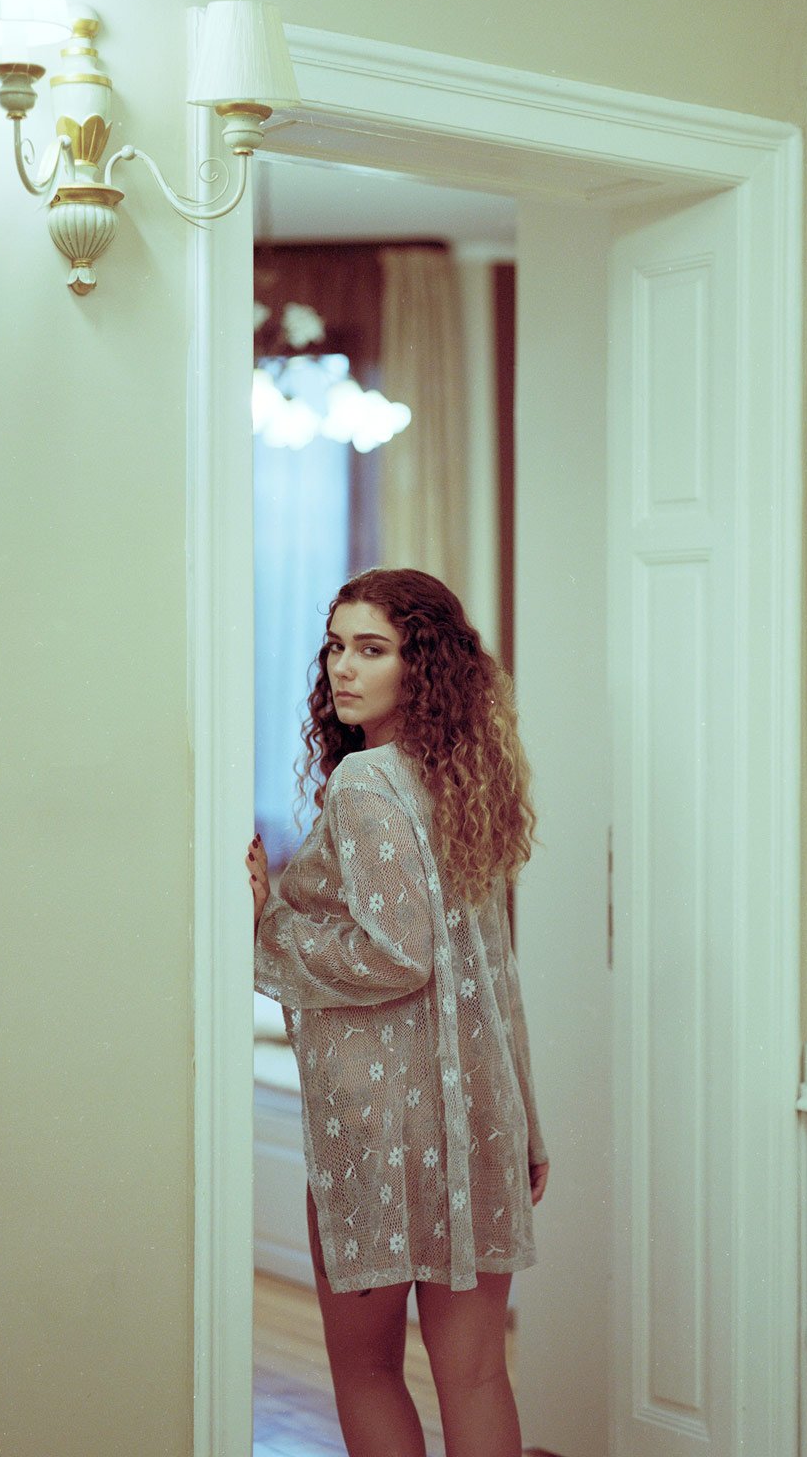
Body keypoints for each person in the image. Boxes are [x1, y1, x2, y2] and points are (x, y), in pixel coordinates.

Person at [248, 568, 549, 1457]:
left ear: (422, 665)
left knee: (367, 1371)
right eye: (336, 647)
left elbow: (397, 953)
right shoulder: (465, 780)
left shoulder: (364, 783)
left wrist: (264, 928)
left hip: (378, 1128)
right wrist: (525, 1121)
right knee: (478, 1375)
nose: (343, 668)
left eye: (371, 649)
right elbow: (494, 973)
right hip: (477, 1114)